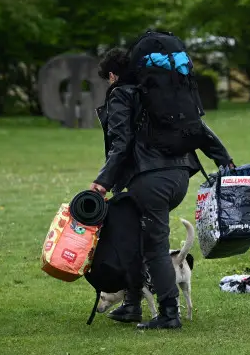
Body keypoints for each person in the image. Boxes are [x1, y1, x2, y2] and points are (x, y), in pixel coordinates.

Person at [92, 40, 232, 330]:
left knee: (154, 245)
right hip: (179, 176)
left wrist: (102, 182)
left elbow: (121, 143)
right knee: (133, 237)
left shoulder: (121, 95)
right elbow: (199, 128)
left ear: (113, 76)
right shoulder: (160, 95)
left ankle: (169, 314)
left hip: (149, 179)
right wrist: (224, 160)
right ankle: (132, 304)